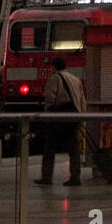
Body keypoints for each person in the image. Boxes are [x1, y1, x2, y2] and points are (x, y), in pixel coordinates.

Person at [36, 56, 86, 186]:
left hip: (58, 118)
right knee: (73, 149)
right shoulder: (76, 80)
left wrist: (47, 115)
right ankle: (75, 177)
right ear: (66, 66)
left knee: (50, 147)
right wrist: (81, 117)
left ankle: (47, 177)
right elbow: (82, 100)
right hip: (74, 116)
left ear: (53, 67)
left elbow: (49, 98)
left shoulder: (55, 78)